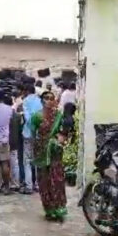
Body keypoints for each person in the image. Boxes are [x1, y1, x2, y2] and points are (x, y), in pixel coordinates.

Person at [31, 91, 68, 221]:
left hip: (55, 151)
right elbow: (33, 133)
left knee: (57, 179)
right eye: (46, 98)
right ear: (42, 101)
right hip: (41, 151)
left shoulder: (59, 116)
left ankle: (59, 208)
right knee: (44, 180)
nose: (49, 101)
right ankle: (49, 209)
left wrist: (59, 139)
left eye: (52, 98)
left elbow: (64, 132)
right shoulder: (36, 116)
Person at [21, 84, 42, 194]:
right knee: (38, 160)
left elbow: (27, 118)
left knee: (27, 161)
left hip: (28, 134)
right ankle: (38, 184)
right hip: (39, 134)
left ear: (26, 91)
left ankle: (29, 185)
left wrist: (32, 129)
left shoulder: (25, 101)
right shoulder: (41, 101)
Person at [7, 95, 22, 191]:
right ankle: (15, 183)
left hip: (4, 141)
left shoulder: (4, 114)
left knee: (3, 163)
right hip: (15, 141)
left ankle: (3, 183)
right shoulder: (17, 116)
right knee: (14, 163)